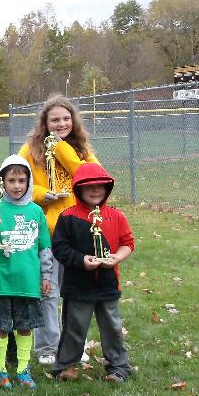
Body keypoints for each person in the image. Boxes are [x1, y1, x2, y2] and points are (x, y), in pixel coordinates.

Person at [18, 95, 99, 366]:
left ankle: (74, 343)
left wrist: (63, 149)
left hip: (76, 231)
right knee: (47, 290)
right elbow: (16, 179)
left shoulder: (81, 149)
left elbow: (93, 177)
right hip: (45, 231)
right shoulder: (31, 149)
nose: (61, 123)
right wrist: (42, 194)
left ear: (73, 121)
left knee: (74, 290)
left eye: (66, 118)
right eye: (55, 119)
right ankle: (48, 347)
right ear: (45, 122)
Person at [51, 163, 135, 383]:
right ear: (78, 189)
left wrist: (116, 257)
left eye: (100, 186)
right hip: (78, 285)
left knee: (113, 326)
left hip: (108, 283)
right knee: (75, 326)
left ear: (107, 188)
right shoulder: (68, 217)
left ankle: (119, 367)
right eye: (89, 187)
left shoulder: (115, 216)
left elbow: (127, 243)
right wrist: (80, 260)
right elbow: (59, 248)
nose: (96, 190)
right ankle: (66, 366)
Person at [0, 155, 53, 389]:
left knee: (25, 326)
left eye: (22, 180)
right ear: (2, 182)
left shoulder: (36, 211)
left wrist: (46, 276)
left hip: (27, 281)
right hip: (0, 279)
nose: (17, 185)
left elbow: (44, 247)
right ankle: (0, 371)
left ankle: (23, 369)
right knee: (1, 326)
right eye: (11, 180)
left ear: (29, 181)